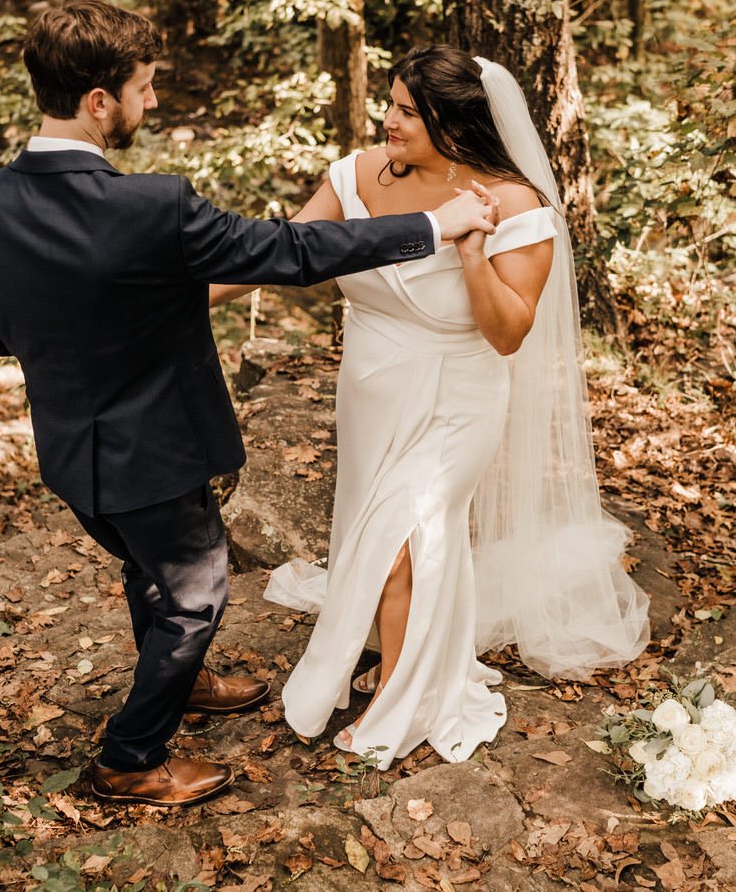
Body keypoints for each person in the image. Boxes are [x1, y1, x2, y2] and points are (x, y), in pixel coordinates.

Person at [0, 1, 500, 807]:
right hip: (161, 449)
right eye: (144, 86)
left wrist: (75, 329)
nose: (153, 101)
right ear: (99, 102)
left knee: (146, 570)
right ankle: (132, 756)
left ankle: (185, 682)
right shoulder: (152, 207)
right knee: (194, 595)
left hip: (70, 451)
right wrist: (431, 225)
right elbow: (292, 251)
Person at [213, 47, 650, 770]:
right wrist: (174, 301)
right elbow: (280, 255)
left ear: (453, 122)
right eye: (389, 104)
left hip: (459, 397)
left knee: (405, 537)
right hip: (373, 389)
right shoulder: (354, 176)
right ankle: (397, 650)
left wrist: (470, 249)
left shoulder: (513, 204)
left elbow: (509, 332)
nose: (388, 121)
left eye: (408, 112)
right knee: (374, 527)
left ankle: (401, 697)